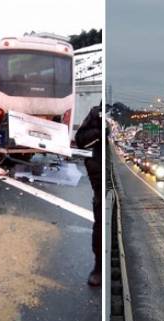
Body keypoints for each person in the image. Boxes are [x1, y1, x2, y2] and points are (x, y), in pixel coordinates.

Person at [74, 102, 102, 287]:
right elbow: (80, 139)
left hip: (106, 176)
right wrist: (98, 132)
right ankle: (99, 267)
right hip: (98, 177)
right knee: (100, 223)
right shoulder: (95, 114)